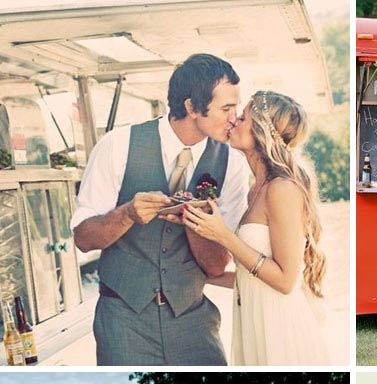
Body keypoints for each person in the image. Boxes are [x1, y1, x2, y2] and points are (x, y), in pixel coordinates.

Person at [72, 54, 249, 365]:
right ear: (193, 107)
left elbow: (217, 266)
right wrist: (126, 215)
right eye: (226, 108)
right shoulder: (118, 145)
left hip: (193, 321)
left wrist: (195, 224)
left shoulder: (232, 163)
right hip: (123, 323)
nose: (235, 117)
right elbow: (83, 239)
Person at [183, 91, 329, 365]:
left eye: (243, 117)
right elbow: (250, 276)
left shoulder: (282, 189)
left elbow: (286, 281)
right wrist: (196, 276)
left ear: (262, 130)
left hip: (280, 327)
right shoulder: (255, 191)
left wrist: (223, 235)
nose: (234, 121)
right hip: (253, 318)